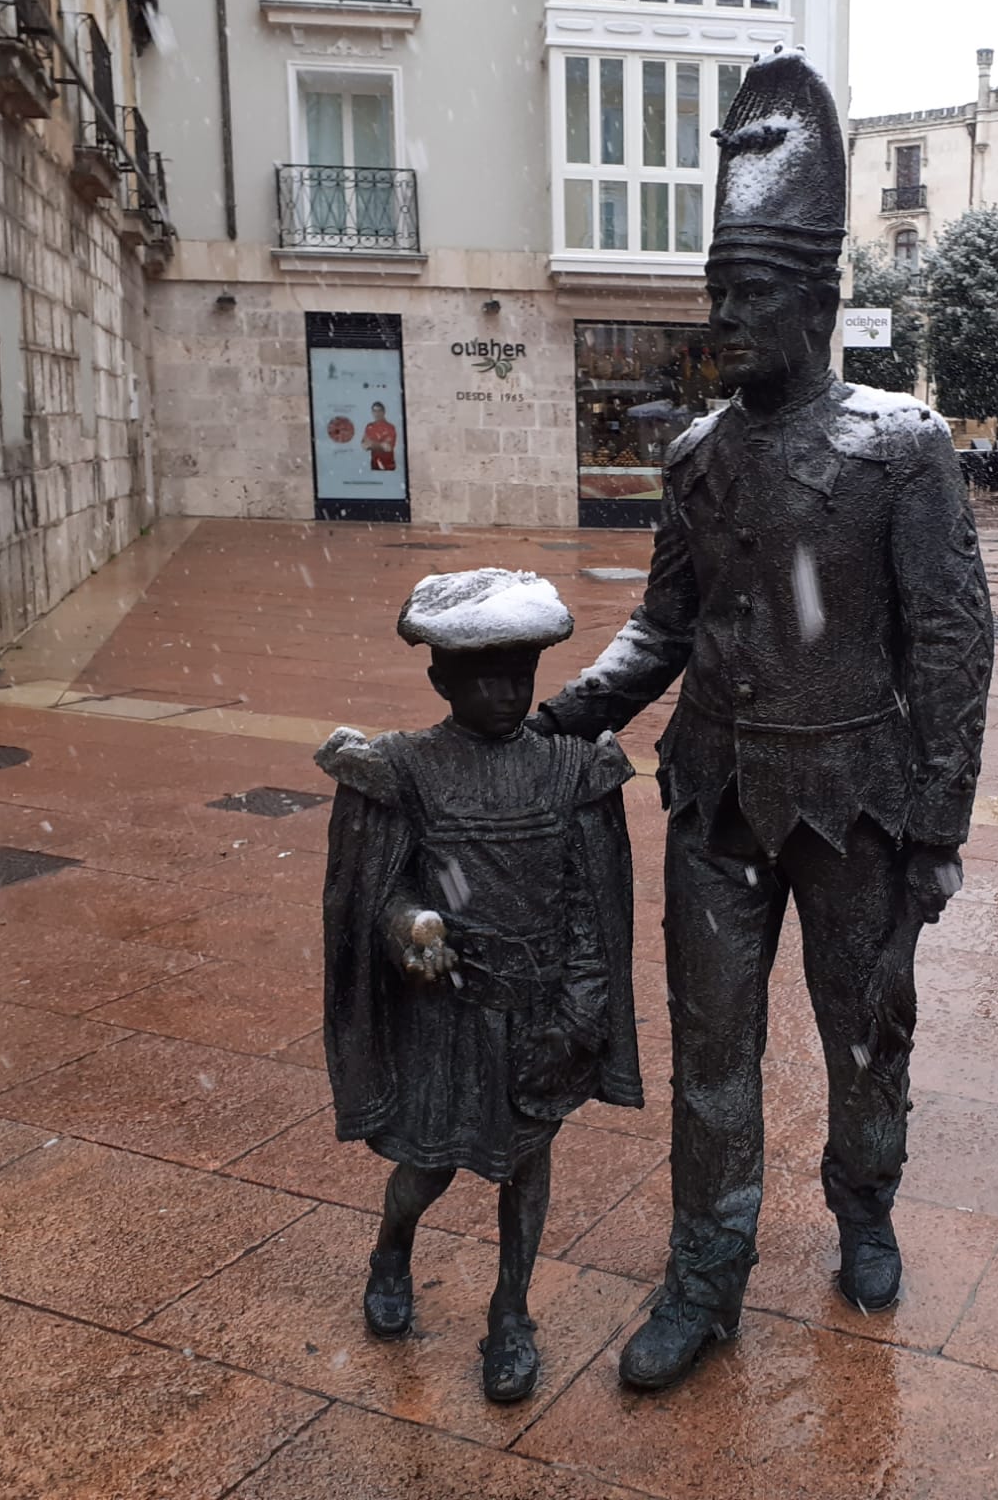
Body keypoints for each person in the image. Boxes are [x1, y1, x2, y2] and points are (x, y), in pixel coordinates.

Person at [534, 49, 993, 1392]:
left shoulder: (901, 448)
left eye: (749, 295)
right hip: (718, 800)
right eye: (715, 293)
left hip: (857, 807)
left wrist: (937, 826)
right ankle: (705, 1276)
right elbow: (664, 625)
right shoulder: (695, 455)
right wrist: (574, 710)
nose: (725, 318)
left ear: (819, 299)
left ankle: (864, 1209)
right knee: (711, 1057)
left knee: (863, 1038)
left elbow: (953, 644)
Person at [315, 568, 643, 1403]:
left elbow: (589, 904)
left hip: (537, 1013)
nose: (505, 693)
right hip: (446, 1013)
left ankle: (511, 1312)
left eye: (520, 674)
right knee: (427, 1166)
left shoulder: (570, 770)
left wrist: (583, 1004)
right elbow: (377, 892)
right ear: (440, 679)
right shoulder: (406, 769)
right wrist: (410, 924)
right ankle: (393, 1246)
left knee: (526, 1167)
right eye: (483, 676)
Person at [362, 402, 398, 472]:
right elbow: (364, 446)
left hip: (388, 467)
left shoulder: (390, 427)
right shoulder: (369, 427)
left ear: (384, 412)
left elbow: (388, 447)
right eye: (375, 411)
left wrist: (372, 444)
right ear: (372, 412)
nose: (377, 413)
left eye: (379, 411)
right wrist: (381, 445)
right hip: (374, 466)